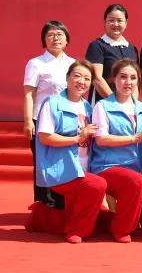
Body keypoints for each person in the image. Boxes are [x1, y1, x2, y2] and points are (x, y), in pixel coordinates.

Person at [26, 61, 120, 243]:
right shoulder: (52, 103)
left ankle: (42, 215)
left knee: (78, 215)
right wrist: (78, 138)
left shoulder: (88, 108)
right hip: (61, 167)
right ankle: (76, 230)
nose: (82, 82)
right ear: (67, 78)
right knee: (97, 185)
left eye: (87, 78)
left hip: (84, 166)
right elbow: (45, 137)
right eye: (77, 76)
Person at [83, 58, 142, 241]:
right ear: (113, 79)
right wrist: (134, 138)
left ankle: (120, 221)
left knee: (138, 179)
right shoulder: (103, 106)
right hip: (107, 166)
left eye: (133, 78)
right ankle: (121, 229)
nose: (128, 82)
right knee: (135, 181)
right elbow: (101, 139)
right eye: (123, 77)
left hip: (134, 166)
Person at [23, 20, 76, 206]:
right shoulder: (36, 63)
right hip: (42, 120)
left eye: (60, 34)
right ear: (44, 40)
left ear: (67, 39)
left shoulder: (73, 64)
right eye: (51, 35)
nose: (56, 38)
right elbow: (28, 95)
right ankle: (44, 204)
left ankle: (63, 203)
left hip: (67, 120)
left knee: (65, 162)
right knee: (43, 162)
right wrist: (28, 121)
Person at [85, 4, 139, 103]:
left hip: (127, 106)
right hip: (103, 103)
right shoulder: (97, 46)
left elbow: (134, 82)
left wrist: (133, 104)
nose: (115, 24)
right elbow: (96, 78)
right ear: (105, 22)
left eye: (119, 20)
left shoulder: (132, 49)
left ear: (126, 23)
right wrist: (115, 103)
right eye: (111, 20)